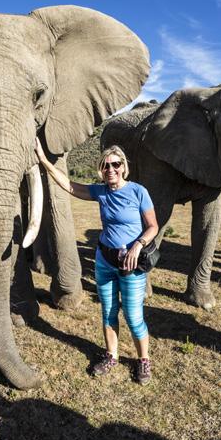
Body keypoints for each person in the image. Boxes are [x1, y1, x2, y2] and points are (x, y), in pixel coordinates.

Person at [35, 140, 159, 385]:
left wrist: (138, 245)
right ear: (101, 169)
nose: (110, 169)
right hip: (104, 260)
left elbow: (153, 226)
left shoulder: (138, 191)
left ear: (123, 167)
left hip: (131, 263)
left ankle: (143, 360)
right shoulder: (101, 191)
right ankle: (111, 355)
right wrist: (44, 161)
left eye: (115, 164)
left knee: (134, 317)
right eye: (105, 165)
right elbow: (70, 187)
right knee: (108, 313)